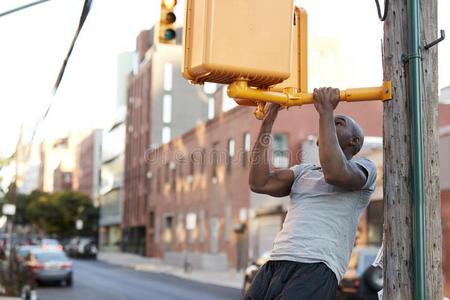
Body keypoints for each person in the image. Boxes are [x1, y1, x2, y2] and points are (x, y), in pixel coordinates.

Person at [244, 87, 377, 300]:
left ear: (355, 141)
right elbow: (258, 183)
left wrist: (326, 112)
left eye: (338, 122)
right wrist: (267, 122)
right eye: (330, 122)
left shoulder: (365, 168)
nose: (330, 122)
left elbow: (335, 173)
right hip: (275, 263)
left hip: (317, 265)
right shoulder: (302, 171)